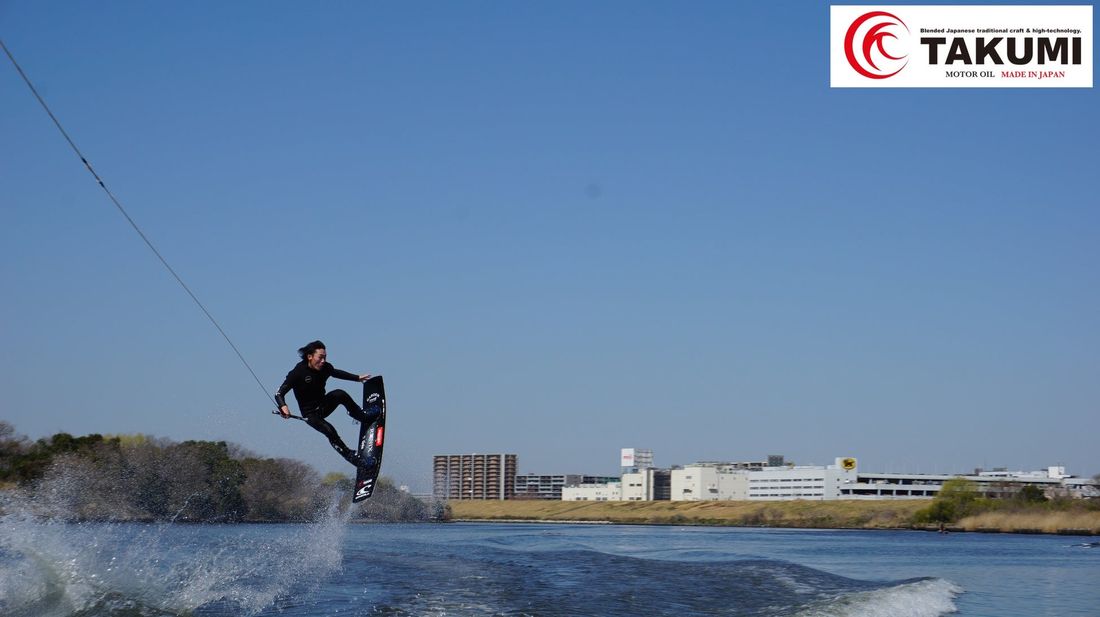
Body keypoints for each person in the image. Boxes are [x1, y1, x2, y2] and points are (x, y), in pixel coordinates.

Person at [275, 340, 375, 467]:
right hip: (311, 415)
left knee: (340, 394)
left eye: (325, 357)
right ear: (310, 357)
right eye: (320, 357)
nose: (323, 361)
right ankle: (352, 457)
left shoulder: (325, 367)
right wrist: (283, 406)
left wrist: (357, 377)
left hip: (323, 405)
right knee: (329, 430)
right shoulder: (298, 372)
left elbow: (336, 373)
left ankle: (361, 416)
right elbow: (279, 393)